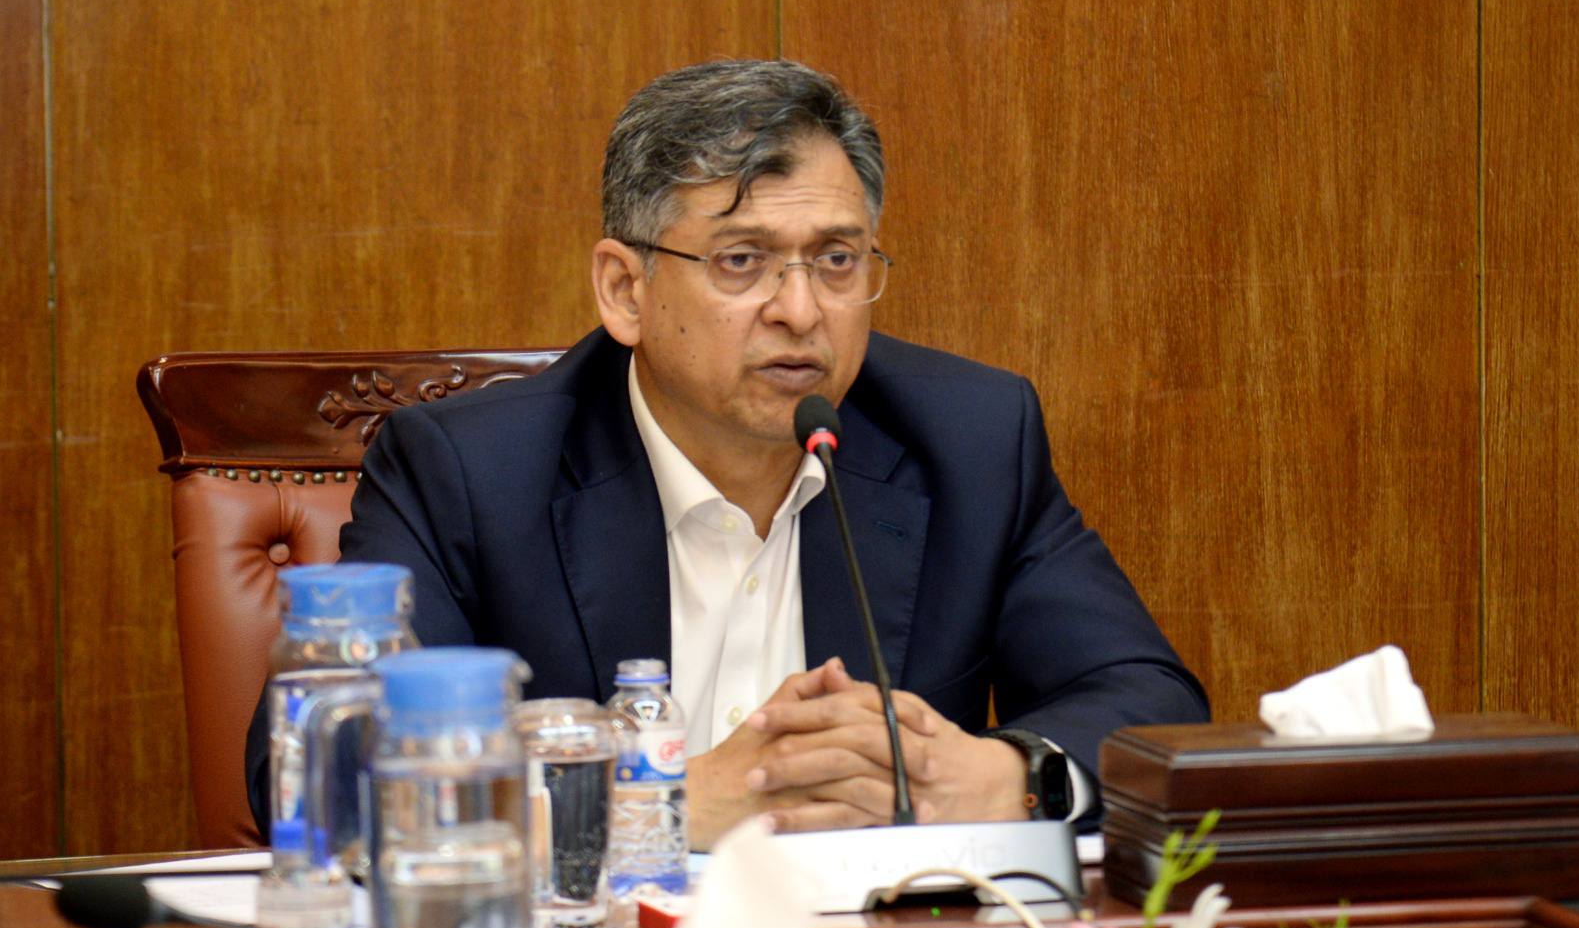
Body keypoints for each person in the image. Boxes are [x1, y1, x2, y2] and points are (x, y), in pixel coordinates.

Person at [246, 59, 1208, 847]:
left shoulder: (970, 439)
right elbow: (327, 768)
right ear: (625, 290)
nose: (801, 310)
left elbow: (1149, 702)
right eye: (742, 261)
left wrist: (1002, 775)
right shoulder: (468, 472)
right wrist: (661, 801)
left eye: (837, 259)